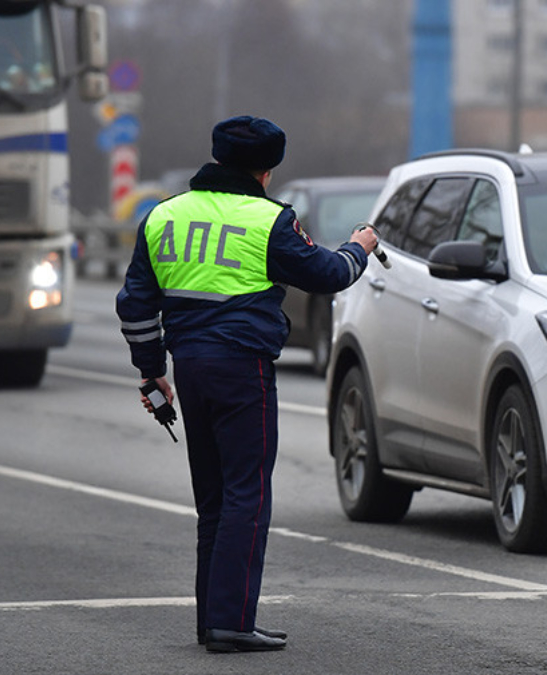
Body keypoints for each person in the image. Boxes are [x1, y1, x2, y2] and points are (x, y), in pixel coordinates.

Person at [116, 116, 379, 653]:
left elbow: (135, 304)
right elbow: (327, 275)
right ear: (267, 169)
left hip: (188, 366)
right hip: (243, 368)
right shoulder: (269, 221)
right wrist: (360, 247)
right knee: (248, 496)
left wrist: (151, 371)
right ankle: (232, 622)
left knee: (213, 501)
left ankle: (212, 620)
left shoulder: (163, 216)